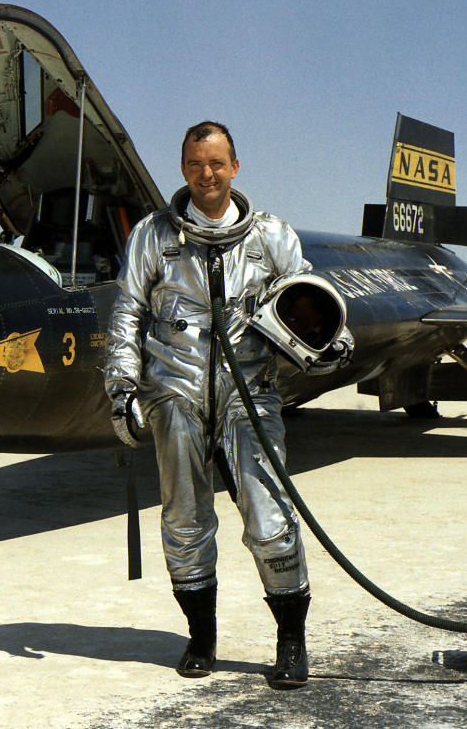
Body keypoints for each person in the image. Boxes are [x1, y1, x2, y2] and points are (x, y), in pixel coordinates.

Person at [104, 121, 350, 688]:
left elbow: (308, 301)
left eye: (216, 164)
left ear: (234, 167)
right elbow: (127, 314)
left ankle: (291, 641)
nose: (206, 175)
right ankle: (202, 637)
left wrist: (333, 344)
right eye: (195, 165)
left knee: (270, 520)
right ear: (183, 169)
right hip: (176, 394)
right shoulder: (154, 236)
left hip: (249, 397)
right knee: (185, 522)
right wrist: (121, 387)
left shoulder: (269, 237)